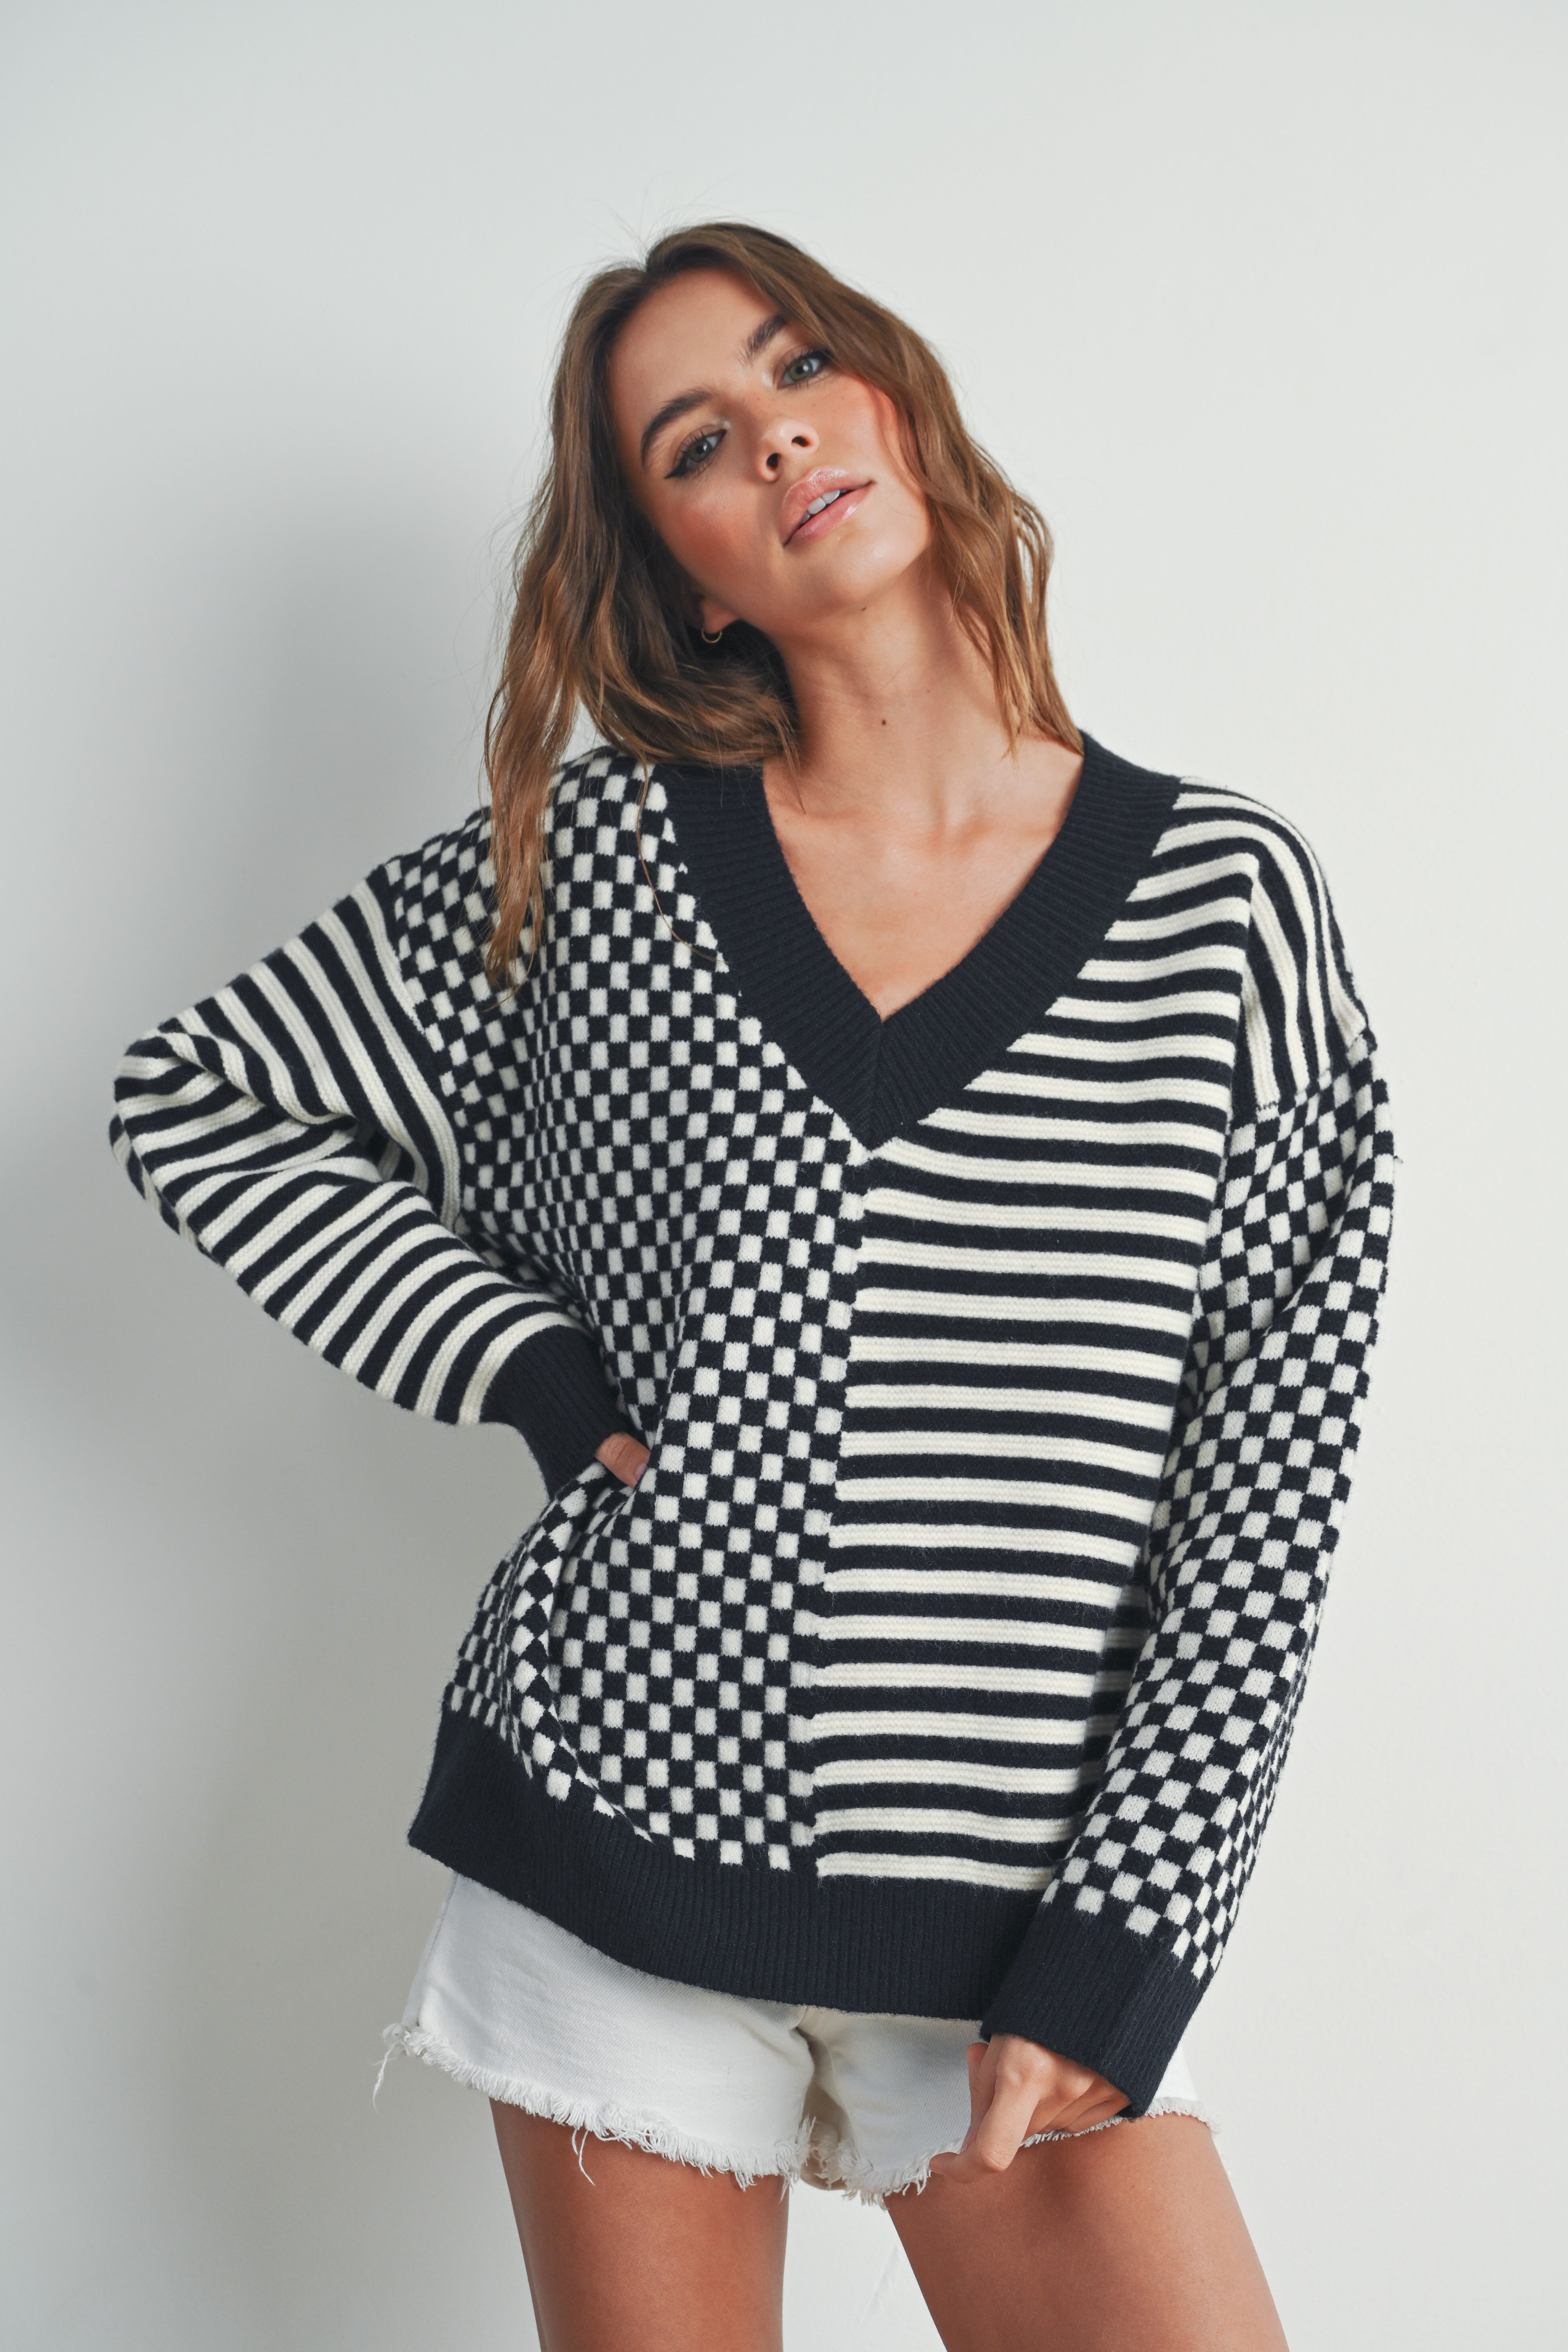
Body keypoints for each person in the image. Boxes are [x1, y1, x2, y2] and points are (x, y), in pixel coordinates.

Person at [110, 221, 1393, 2351]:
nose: (776, 434)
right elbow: (203, 1096)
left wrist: (1132, 1933)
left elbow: (1271, 1470)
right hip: (614, 1822)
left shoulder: (1221, 907)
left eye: (800, 367)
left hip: (1011, 1905)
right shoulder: (605, 867)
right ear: (693, 573)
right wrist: (528, 1365)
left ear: (897, 401)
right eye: (697, 440)